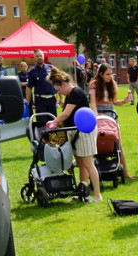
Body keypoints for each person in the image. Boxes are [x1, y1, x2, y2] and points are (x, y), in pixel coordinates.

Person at [47, 67, 102, 203]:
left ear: (64, 84)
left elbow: (66, 113)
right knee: (81, 164)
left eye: (59, 90)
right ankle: (82, 192)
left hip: (83, 132)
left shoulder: (76, 92)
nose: (59, 92)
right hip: (75, 132)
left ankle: (97, 195)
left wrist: (53, 122)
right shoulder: (70, 95)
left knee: (88, 164)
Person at [88, 62, 135, 180]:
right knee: (99, 140)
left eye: (111, 74)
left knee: (118, 142)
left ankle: (125, 172)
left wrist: (123, 101)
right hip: (98, 113)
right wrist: (96, 115)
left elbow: (114, 101)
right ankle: (100, 168)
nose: (110, 77)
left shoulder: (112, 84)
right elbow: (93, 103)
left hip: (110, 112)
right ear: (101, 74)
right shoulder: (94, 85)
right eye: (108, 74)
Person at [26, 49, 56, 120]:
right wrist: (28, 102)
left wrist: (61, 98)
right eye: (37, 56)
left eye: (40, 56)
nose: (39, 57)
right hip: (40, 100)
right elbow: (29, 87)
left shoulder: (51, 68)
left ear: (43, 56)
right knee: (41, 122)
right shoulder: (32, 71)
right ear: (34, 58)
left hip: (51, 99)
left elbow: (57, 82)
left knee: (53, 121)